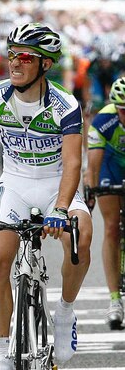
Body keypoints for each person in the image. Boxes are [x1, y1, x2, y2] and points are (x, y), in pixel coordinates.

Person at [0, 23, 92, 370]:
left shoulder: (65, 105)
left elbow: (74, 164)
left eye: (25, 57)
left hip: (55, 184)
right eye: (12, 54)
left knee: (80, 240)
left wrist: (61, 211)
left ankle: (64, 314)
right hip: (14, 183)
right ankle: (2, 353)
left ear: (45, 65)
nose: (15, 63)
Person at [84, 76, 125, 330]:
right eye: (123, 110)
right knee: (111, 227)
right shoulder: (103, 121)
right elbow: (93, 166)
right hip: (110, 166)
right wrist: (91, 189)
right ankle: (114, 300)